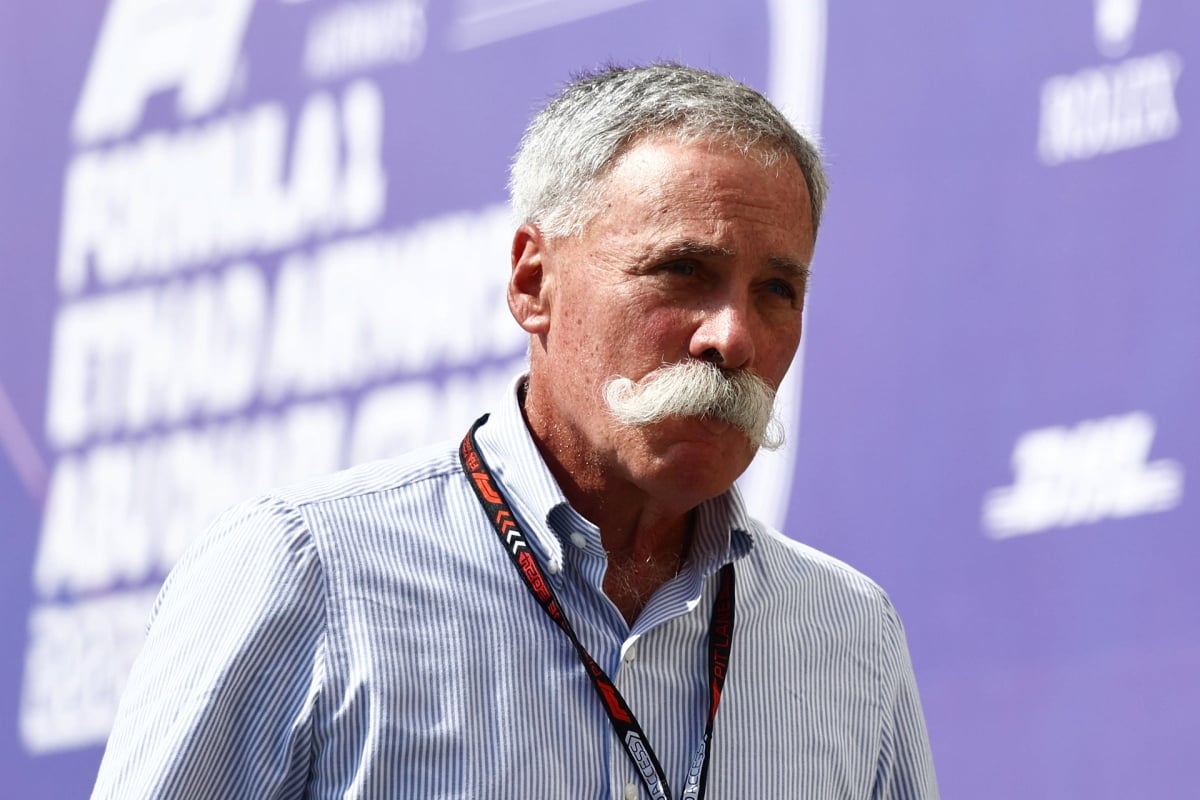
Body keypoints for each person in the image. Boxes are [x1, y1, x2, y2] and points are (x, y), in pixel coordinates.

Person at [92, 63, 938, 799]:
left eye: (778, 291)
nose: (734, 337)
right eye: (685, 271)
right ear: (534, 283)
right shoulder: (306, 573)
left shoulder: (849, 636)